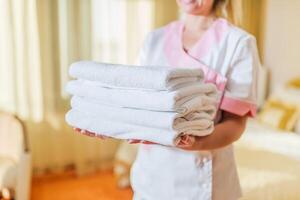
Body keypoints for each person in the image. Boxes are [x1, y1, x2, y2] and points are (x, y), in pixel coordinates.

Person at [76, 0, 260, 199]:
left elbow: (235, 124)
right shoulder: (154, 39)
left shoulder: (237, 43)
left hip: (203, 184)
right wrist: (107, 123)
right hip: (150, 178)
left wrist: (193, 143)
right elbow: (138, 105)